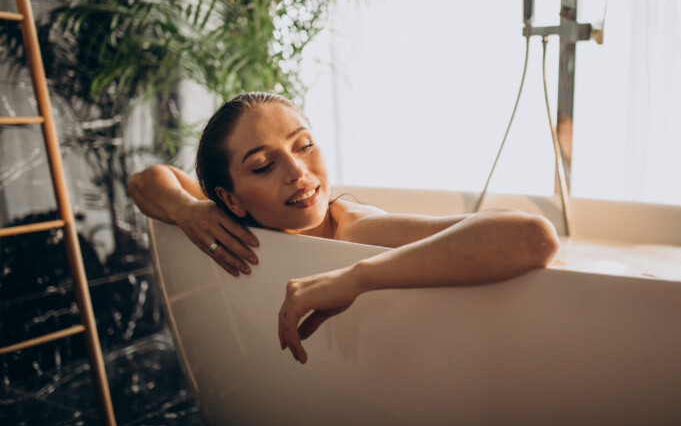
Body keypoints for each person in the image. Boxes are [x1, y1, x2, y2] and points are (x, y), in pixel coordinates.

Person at [128, 92, 559, 364]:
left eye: (305, 146)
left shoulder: (353, 227)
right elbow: (146, 181)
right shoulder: (226, 220)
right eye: (263, 165)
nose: (298, 172)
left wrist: (358, 276)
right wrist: (186, 210)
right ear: (230, 199)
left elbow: (532, 235)